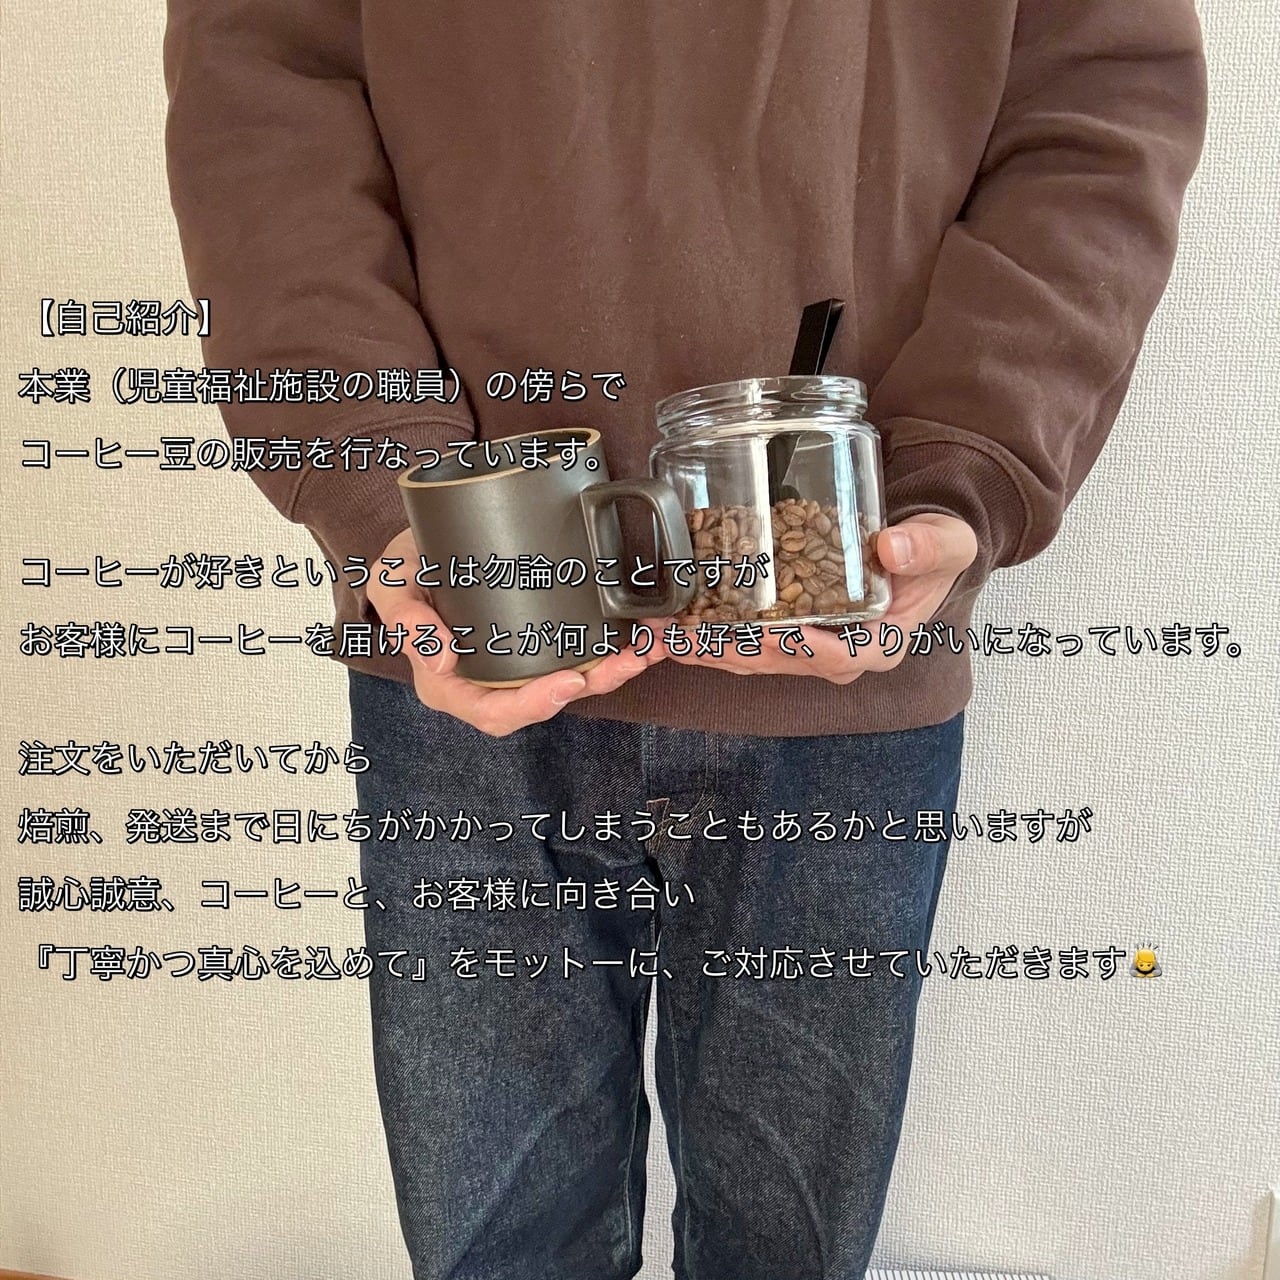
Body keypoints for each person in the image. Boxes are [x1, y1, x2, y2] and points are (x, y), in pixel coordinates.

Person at [161, 3, 1207, 1277]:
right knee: (501, 1253)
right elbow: (265, 101)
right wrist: (388, 490)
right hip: (472, 625)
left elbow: (1094, 112)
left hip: (836, 623)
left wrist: (960, 470)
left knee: (771, 1252)